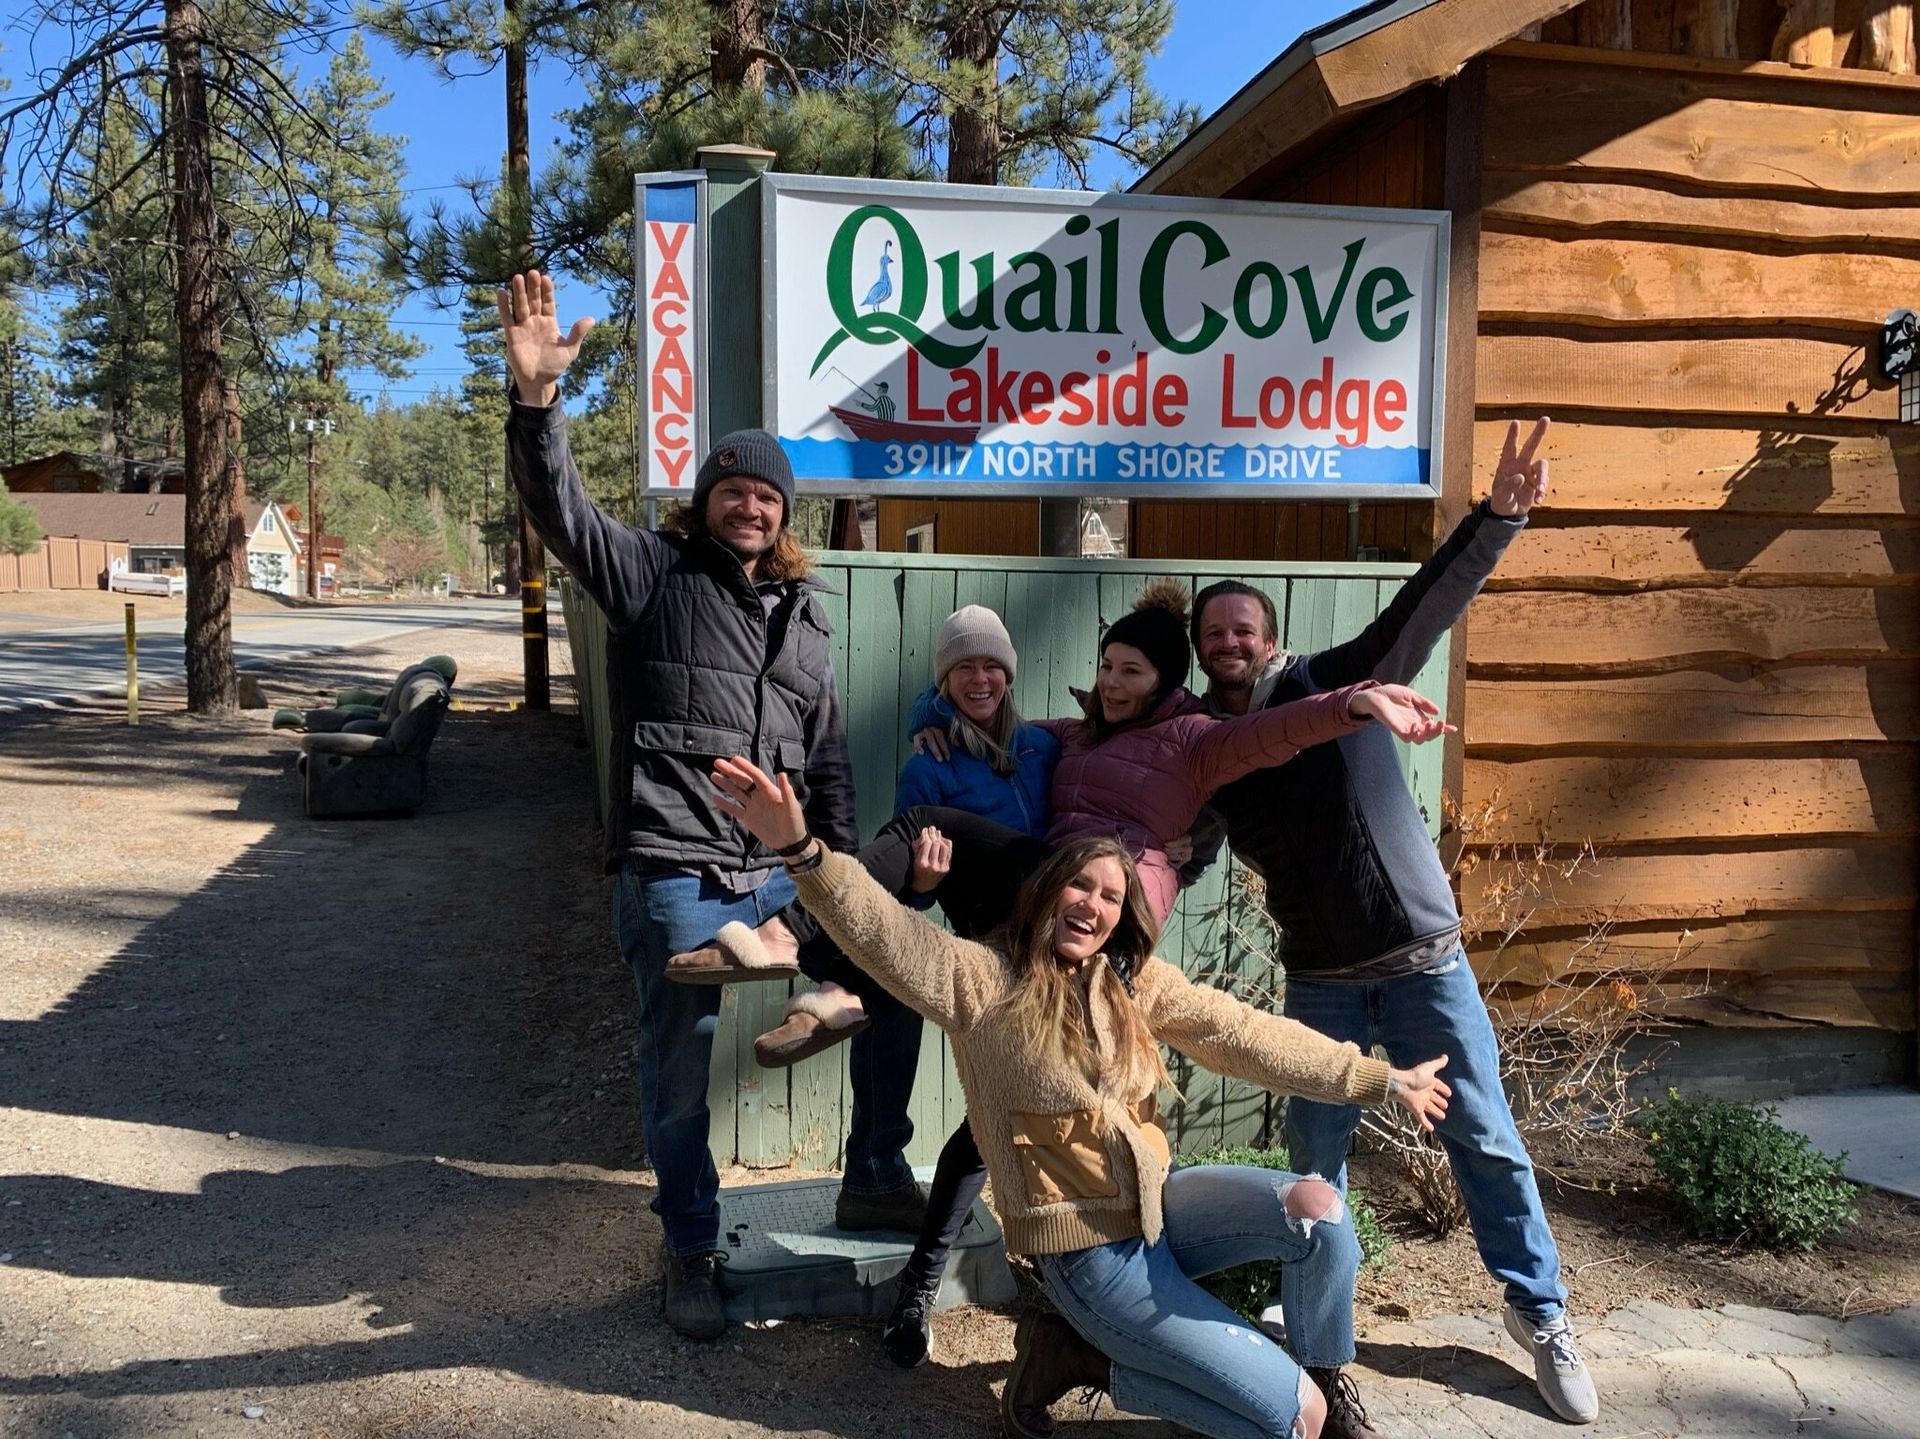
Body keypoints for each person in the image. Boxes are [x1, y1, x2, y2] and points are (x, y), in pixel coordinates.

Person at [710, 756, 1454, 1439]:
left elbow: (1244, 1033)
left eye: (1111, 894)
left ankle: (1324, 1367)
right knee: (1296, 1421)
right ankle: (1092, 1360)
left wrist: (1380, 1077)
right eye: (1080, 885)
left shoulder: (1130, 982)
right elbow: (881, 929)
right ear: (1045, 889)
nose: (1092, 905)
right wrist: (803, 850)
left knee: (1322, 1211)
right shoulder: (980, 981)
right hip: (1089, 1259)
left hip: (1159, 1213)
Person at [496, 269, 926, 1343]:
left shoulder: (809, 623)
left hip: (780, 867)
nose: (749, 502)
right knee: (678, 1068)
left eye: (767, 493)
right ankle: (690, 1243)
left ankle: (862, 1111)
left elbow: (826, 766)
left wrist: (839, 877)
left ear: (786, 511)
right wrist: (538, 405)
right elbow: (561, 511)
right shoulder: (651, 574)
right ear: (707, 498)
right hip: (679, 865)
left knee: (897, 951)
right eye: (733, 487)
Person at [1185, 417, 1598, 1432]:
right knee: (1311, 1162)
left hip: (1422, 963)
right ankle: (1317, 1334)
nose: (1231, 642)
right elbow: (1162, 843)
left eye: (1245, 628)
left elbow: (1426, 605)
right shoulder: (1215, 751)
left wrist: (1495, 518)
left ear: (1270, 638)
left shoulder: (1340, 681)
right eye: (1215, 634)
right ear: (1202, 651)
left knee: (1486, 1141)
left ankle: (1539, 1313)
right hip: (1320, 978)